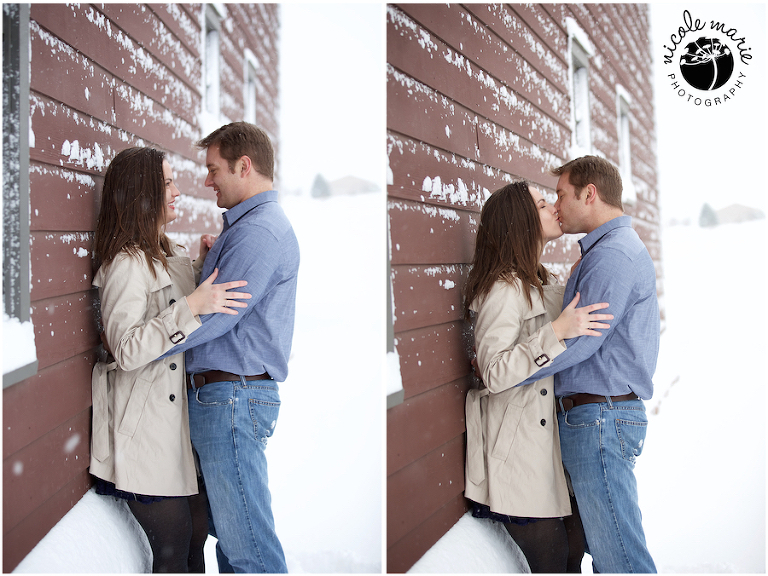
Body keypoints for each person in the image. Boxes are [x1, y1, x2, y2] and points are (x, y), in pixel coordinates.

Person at [90, 147, 252, 572]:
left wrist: (201, 262)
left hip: (174, 431)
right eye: (167, 183)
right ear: (143, 192)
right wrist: (193, 306)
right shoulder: (126, 263)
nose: (178, 191)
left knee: (196, 531)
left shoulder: (163, 251)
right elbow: (125, 348)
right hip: (144, 434)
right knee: (175, 545)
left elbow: (172, 298)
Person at [156, 122, 299, 573]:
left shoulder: (260, 233)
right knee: (233, 542)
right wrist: (208, 260)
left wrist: (144, 346)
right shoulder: (247, 229)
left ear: (245, 165)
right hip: (225, 398)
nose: (206, 180)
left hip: (231, 399)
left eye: (213, 169)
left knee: (248, 551)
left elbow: (215, 317)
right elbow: (216, 302)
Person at [516, 156, 659, 573]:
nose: (557, 205)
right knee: (611, 552)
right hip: (601, 416)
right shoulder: (607, 252)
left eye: (561, 194)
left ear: (589, 193)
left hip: (601, 418)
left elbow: (579, 341)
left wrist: (512, 370)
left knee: (620, 560)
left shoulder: (613, 255)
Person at [463, 181, 614, 573]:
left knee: (574, 549)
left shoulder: (540, 281)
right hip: (518, 459)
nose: (553, 209)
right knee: (553, 564)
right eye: (544, 204)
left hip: (549, 451)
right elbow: (494, 371)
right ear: (521, 221)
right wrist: (556, 332)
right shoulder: (503, 289)